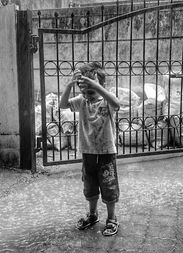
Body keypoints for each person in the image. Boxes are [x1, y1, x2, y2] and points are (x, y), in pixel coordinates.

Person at [59, 62, 120, 236]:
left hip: (106, 152)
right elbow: (63, 105)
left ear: (101, 86)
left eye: (90, 91)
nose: (87, 95)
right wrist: (70, 85)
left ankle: (112, 218)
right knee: (90, 186)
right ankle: (92, 215)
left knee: (108, 186)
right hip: (88, 152)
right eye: (84, 91)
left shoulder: (107, 100)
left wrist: (97, 86)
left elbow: (117, 104)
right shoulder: (82, 101)